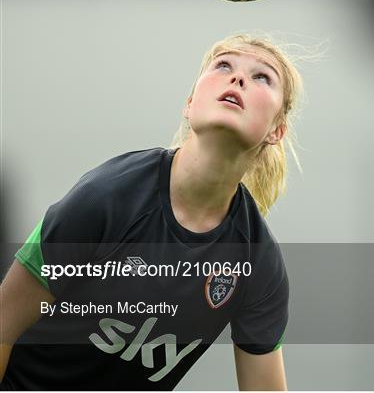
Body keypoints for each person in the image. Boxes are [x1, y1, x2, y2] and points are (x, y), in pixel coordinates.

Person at [0, 32, 303, 391]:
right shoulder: (108, 195)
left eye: (262, 77)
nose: (237, 78)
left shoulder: (257, 261)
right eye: (223, 65)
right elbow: (4, 322)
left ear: (276, 131)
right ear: (190, 104)